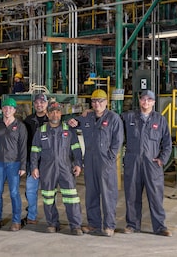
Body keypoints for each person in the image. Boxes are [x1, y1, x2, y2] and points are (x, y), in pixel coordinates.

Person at [68, 89, 123, 237]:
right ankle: (93, 224)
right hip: (90, 161)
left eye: (100, 101)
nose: (97, 104)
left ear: (106, 102)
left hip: (106, 163)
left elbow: (118, 141)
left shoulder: (113, 118)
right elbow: (73, 123)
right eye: (94, 101)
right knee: (91, 194)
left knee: (107, 195)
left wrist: (110, 158)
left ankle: (109, 225)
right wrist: (74, 120)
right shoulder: (88, 117)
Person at [121, 90, 173, 237]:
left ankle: (160, 227)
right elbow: (111, 122)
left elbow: (167, 143)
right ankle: (132, 225)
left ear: (154, 102)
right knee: (132, 195)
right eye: (143, 99)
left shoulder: (160, 119)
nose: (146, 102)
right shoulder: (128, 117)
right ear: (139, 100)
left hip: (152, 164)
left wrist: (162, 159)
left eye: (149, 100)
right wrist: (86, 115)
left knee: (156, 196)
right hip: (133, 163)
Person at [31, 101, 84, 235]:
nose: (55, 114)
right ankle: (52, 224)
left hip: (65, 167)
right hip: (47, 168)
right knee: (48, 197)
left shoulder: (69, 130)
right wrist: (34, 167)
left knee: (71, 197)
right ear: (47, 114)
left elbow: (76, 148)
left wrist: (78, 164)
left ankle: (75, 225)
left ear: (61, 114)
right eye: (52, 112)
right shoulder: (40, 131)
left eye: (58, 112)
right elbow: (35, 151)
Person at [0, 98, 27, 231]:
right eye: (5, 107)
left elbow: (23, 147)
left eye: (10, 108)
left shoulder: (20, 126)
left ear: (15, 110)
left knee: (13, 192)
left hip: (14, 163)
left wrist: (23, 166)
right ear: (2, 109)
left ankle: (16, 220)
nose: (7, 110)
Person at [22, 93, 49, 226]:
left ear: (47, 104)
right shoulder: (28, 120)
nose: (39, 105)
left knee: (49, 191)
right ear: (34, 105)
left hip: (48, 162)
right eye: (37, 102)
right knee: (30, 190)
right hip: (32, 161)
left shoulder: (52, 119)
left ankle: (51, 218)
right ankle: (31, 216)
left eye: (42, 102)